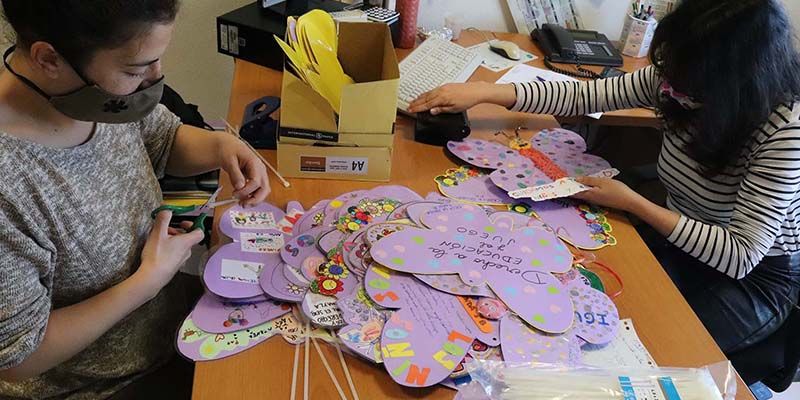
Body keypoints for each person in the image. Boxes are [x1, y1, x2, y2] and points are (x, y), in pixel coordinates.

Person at [411, 0, 800, 359]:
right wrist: (486, 92)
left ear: (734, 82)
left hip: (751, 279)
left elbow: (740, 254)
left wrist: (633, 203)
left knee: (644, 347)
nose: (669, 89)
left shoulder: (785, 129)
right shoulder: (684, 77)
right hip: (677, 234)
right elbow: (585, 97)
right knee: (570, 294)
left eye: (684, 87)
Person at [0, 1, 271, 398]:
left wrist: (222, 147)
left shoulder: (89, 97)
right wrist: (146, 282)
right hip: (101, 385)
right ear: (49, 59)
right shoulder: (9, 180)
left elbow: (162, 138)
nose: (156, 76)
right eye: (134, 70)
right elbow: (19, 356)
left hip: (173, 325)